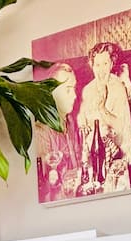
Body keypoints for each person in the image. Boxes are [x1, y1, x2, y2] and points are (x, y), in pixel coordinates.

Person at [77, 41, 131, 185]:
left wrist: (102, 109)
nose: (101, 70)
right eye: (97, 64)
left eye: (105, 64)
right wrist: (82, 125)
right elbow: (81, 117)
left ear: (111, 64)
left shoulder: (118, 87)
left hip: (117, 149)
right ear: (92, 65)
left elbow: (121, 127)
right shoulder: (87, 90)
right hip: (94, 149)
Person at [35, 62, 82, 201]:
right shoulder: (41, 131)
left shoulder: (70, 120)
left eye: (74, 89)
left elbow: (77, 159)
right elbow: (46, 187)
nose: (74, 95)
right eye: (68, 90)